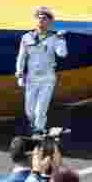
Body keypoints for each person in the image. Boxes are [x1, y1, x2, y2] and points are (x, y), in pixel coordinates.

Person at [16, 7, 68, 136]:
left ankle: (39, 130)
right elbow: (21, 57)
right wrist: (20, 74)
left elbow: (62, 54)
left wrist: (61, 39)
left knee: (40, 110)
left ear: (49, 21)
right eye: (39, 18)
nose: (41, 20)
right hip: (31, 78)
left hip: (47, 78)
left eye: (44, 18)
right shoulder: (27, 37)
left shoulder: (54, 38)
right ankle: (34, 127)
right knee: (29, 110)